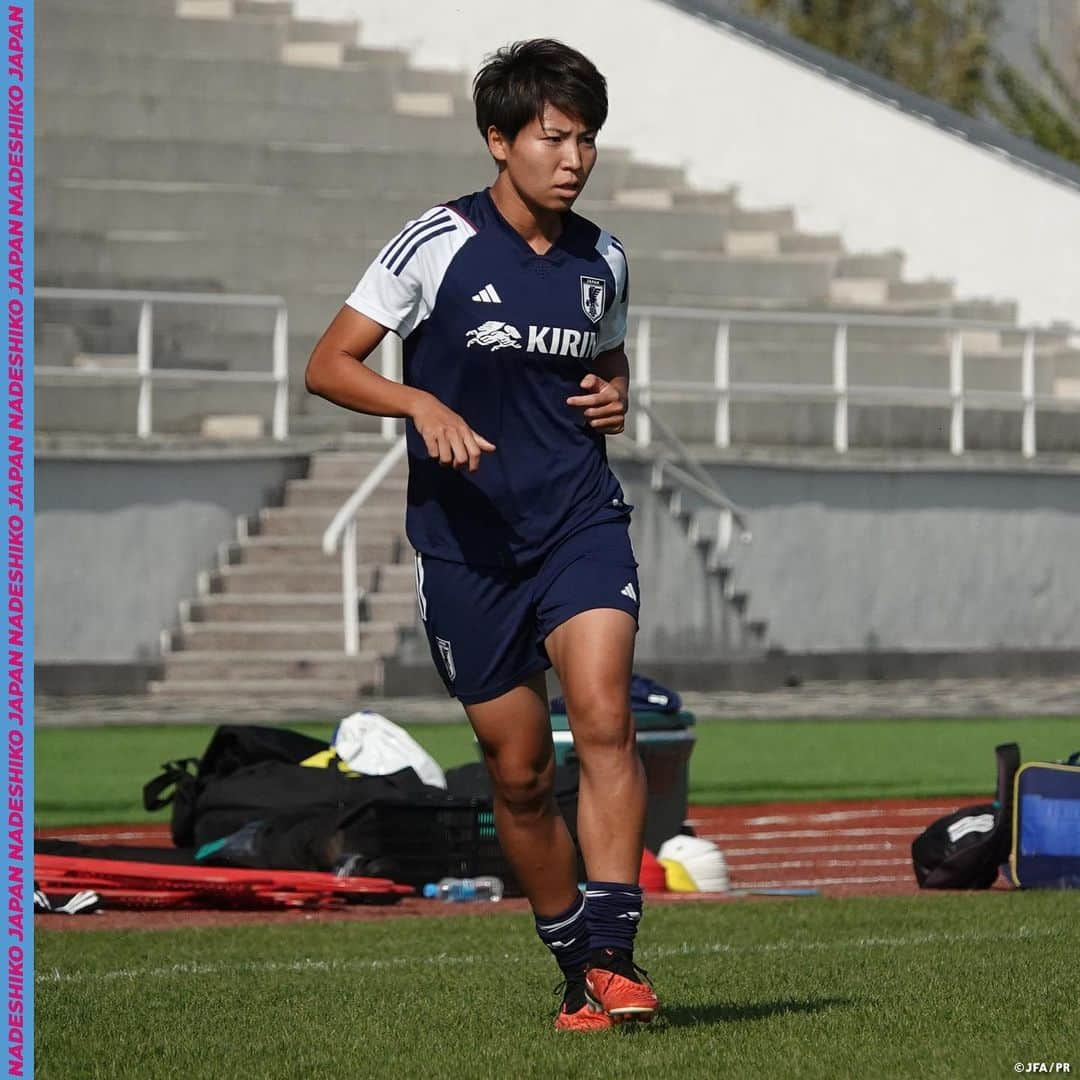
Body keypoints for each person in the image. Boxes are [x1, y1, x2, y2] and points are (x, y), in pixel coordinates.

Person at [305, 38, 658, 1031]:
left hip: (579, 521)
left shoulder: (606, 258)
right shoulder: (435, 242)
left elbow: (608, 352)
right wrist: (416, 400)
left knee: (603, 716)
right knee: (520, 773)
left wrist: (619, 389)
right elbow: (328, 364)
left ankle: (617, 954)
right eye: (554, 136)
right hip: (468, 548)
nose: (575, 157)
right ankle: (575, 965)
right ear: (499, 140)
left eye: (587, 138)